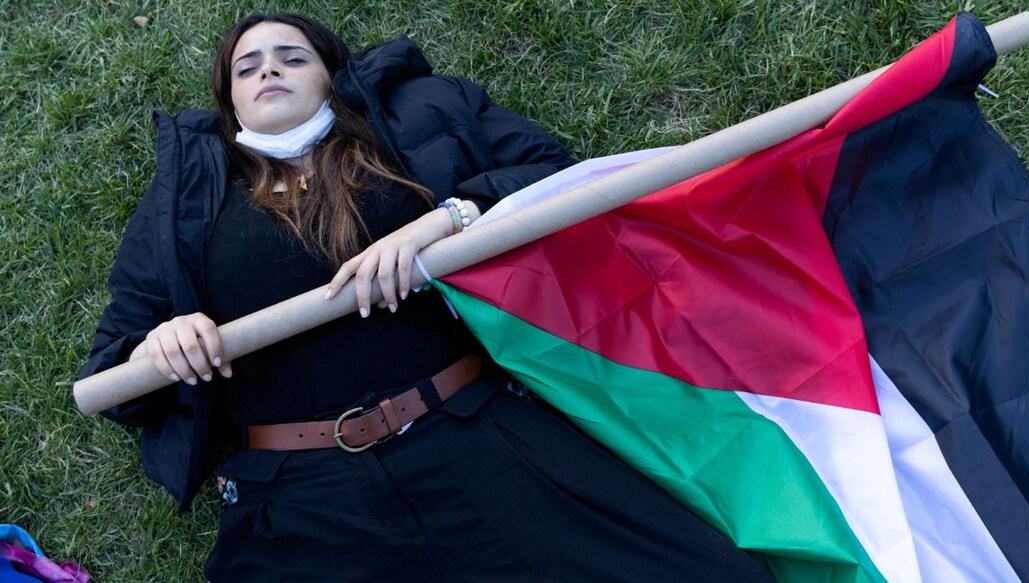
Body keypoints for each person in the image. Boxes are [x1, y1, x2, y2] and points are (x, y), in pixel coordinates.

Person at [79, 12, 773, 581]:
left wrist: (449, 218)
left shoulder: (417, 120)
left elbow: (560, 181)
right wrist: (160, 343)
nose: (268, 69)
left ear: (331, 74)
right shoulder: (185, 204)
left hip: (476, 438)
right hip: (299, 495)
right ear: (228, 99)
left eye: (292, 57)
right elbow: (112, 379)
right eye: (247, 65)